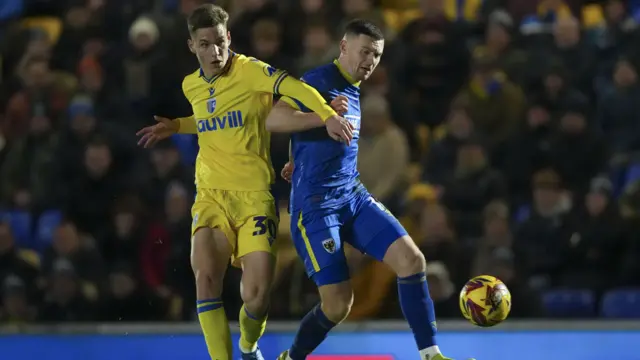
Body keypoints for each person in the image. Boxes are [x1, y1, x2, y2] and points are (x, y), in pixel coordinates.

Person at [135, 4, 353, 360]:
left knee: (256, 296)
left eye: (219, 42)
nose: (214, 51)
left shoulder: (252, 71)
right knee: (205, 278)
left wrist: (326, 116)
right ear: (192, 46)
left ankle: (248, 346)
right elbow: (209, 117)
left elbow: (295, 88)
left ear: (229, 38)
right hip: (211, 196)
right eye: (204, 44)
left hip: (254, 198)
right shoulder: (191, 85)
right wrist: (178, 125)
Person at [267, 19, 474, 360]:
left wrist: (296, 156)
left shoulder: (354, 88)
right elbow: (274, 119)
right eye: (364, 52)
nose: (369, 61)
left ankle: (431, 354)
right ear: (344, 47)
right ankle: (292, 357)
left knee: (412, 260)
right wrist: (323, 119)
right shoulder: (318, 80)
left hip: (353, 195)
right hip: (317, 207)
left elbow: (306, 129)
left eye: (376, 55)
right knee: (337, 305)